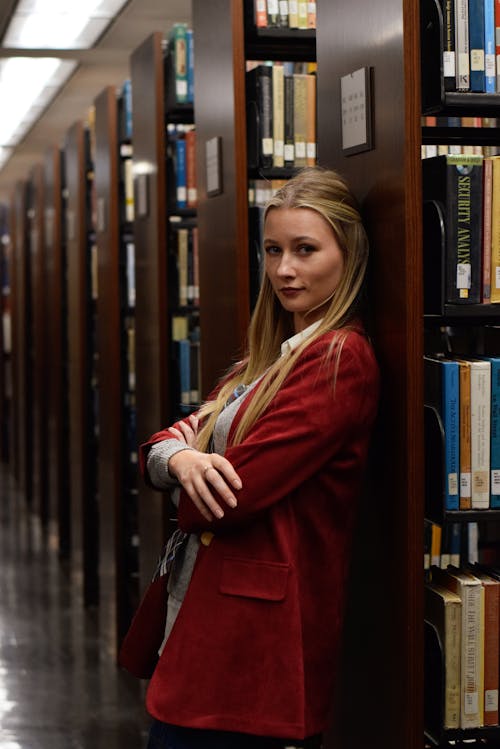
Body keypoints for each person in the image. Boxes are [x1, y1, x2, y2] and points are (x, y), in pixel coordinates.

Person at [139, 166, 380, 749]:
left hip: (257, 651)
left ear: (349, 255)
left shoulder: (337, 360)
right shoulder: (271, 359)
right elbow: (162, 443)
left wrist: (184, 458)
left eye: (305, 250)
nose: (284, 270)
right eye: (273, 250)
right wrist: (180, 460)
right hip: (209, 628)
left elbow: (223, 501)